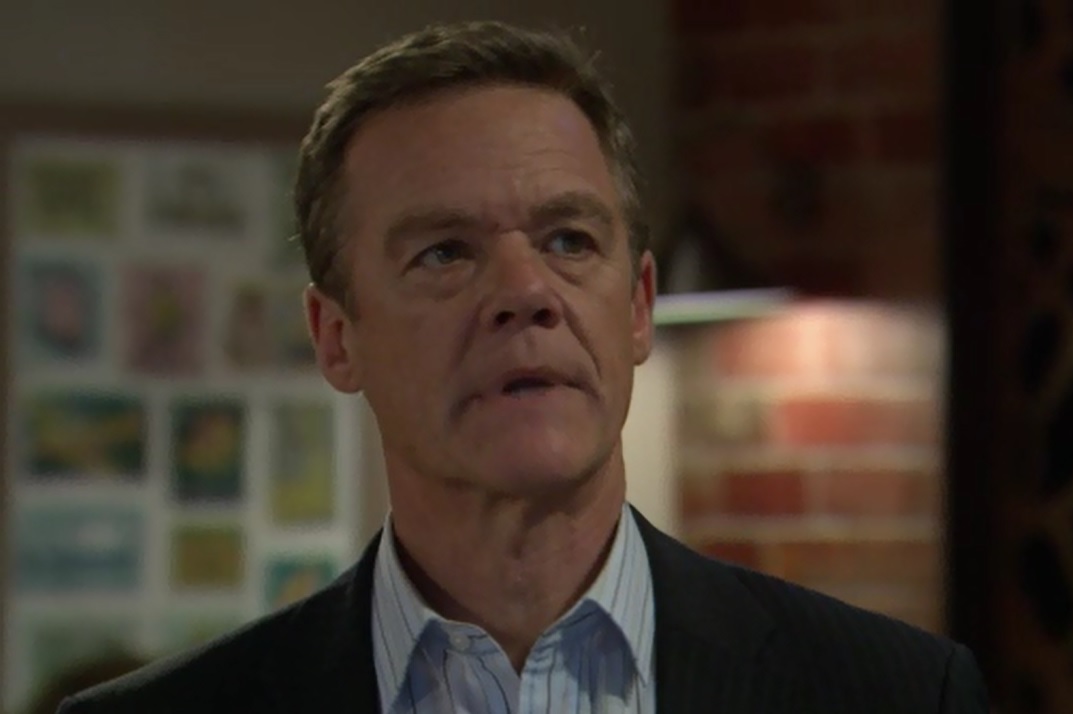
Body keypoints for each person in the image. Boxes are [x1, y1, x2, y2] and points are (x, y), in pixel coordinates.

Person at [58, 21, 990, 713]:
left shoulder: (899, 694)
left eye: (569, 240)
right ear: (336, 337)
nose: (526, 292)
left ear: (637, 306)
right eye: (445, 253)